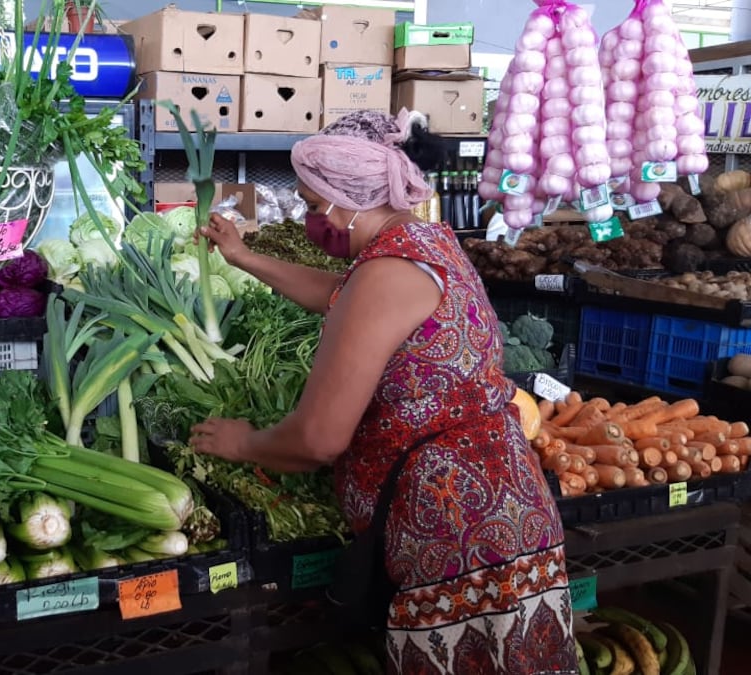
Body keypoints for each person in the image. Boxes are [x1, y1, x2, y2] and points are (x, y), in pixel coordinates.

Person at [189, 110, 578, 674]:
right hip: (508, 511)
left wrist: (243, 443)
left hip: (456, 534)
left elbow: (319, 439)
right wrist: (246, 258)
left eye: (312, 203)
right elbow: (341, 299)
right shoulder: (423, 243)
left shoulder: (386, 272)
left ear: (349, 200)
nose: (308, 219)